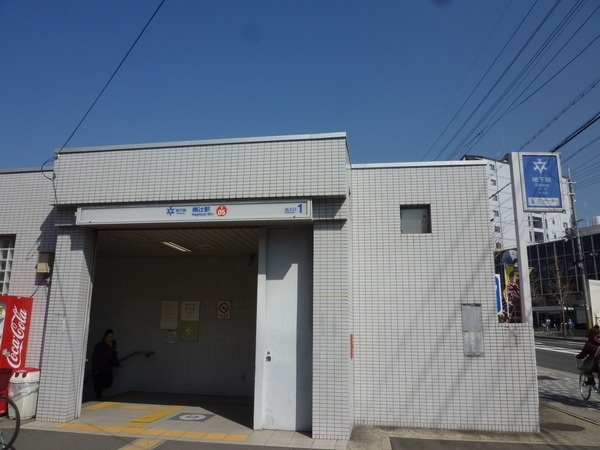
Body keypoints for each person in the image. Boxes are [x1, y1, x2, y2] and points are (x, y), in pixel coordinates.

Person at [92, 329, 119, 400]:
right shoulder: (100, 345)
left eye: (112, 336)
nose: (110, 338)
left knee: (108, 381)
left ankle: (99, 395)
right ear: (105, 337)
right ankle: (99, 396)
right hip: (99, 367)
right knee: (99, 383)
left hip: (107, 366)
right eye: (108, 336)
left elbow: (114, 354)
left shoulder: (113, 344)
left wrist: (115, 362)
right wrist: (95, 369)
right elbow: (95, 357)